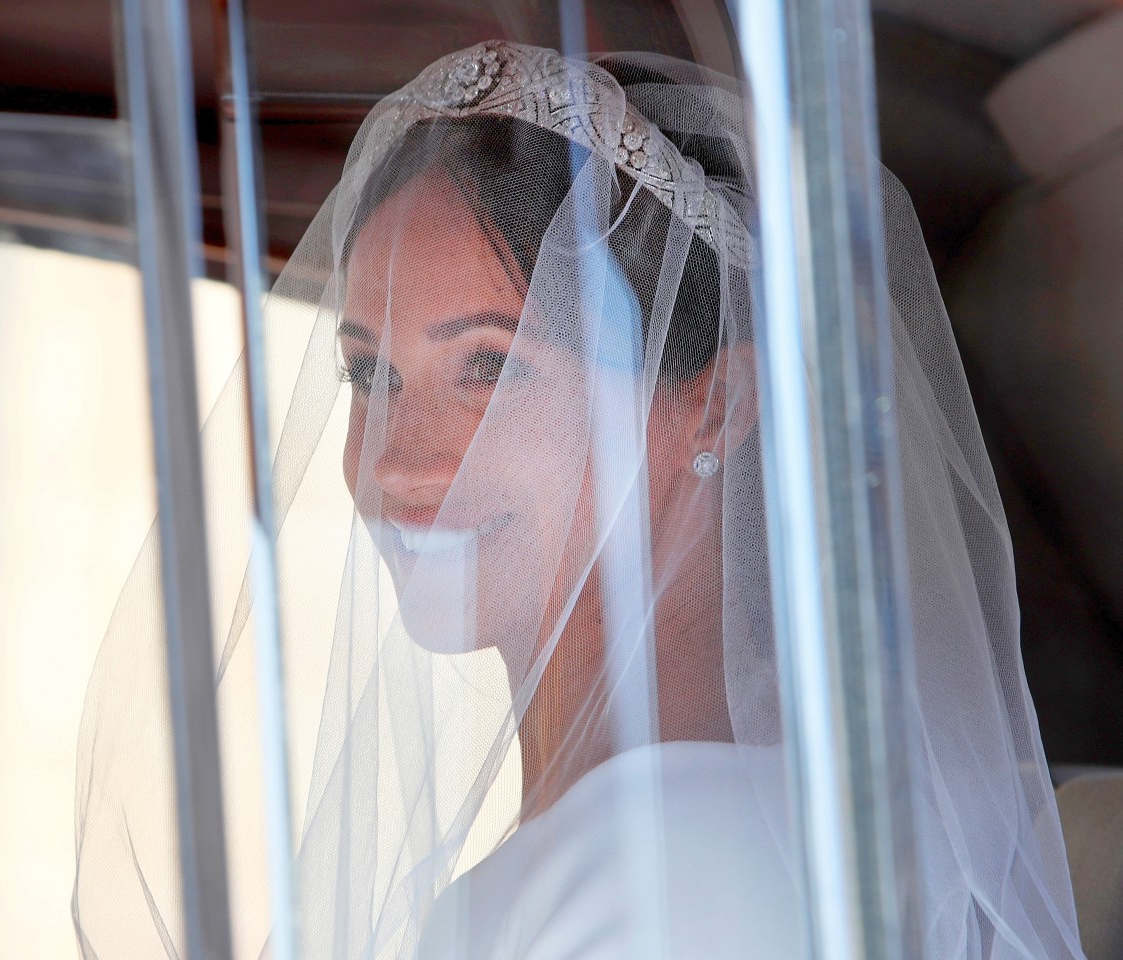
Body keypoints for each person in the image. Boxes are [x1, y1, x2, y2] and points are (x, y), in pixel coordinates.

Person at [73, 41, 1086, 960]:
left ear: (714, 403)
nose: (396, 465)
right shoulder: (663, 838)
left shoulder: (663, 878)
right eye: (369, 375)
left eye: (491, 369)